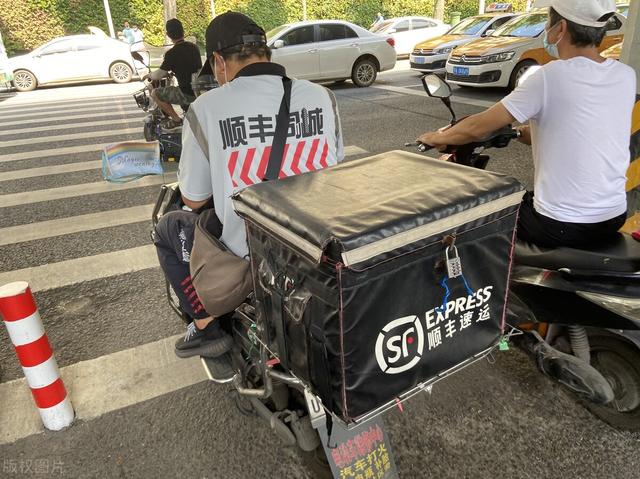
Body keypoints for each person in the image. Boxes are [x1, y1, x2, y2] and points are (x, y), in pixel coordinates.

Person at [153, 12, 345, 369]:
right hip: (318, 245)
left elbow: (194, 198)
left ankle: (207, 327)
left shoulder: (206, 108)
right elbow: (334, 167)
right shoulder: (323, 98)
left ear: (219, 62)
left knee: (168, 228)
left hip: (250, 256)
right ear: (266, 54)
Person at [417, 0, 635, 249]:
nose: (546, 27)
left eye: (548, 20)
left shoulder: (550, 77)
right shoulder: (624, 75)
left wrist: (437, 137)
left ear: (560, 28)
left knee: (479, 212)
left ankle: (487, 284)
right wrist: (518, 132)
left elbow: (479, 126)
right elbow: (576, 130)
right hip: (613, 215)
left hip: (562, 223)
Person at [143, 19, 202, 129]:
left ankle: (176, 120)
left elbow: (158, 75)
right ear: (183, 32)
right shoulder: (194, 47)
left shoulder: (172, 53)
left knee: (155, 93)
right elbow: (188, 67)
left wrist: (149, 75)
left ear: (168, 34)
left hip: (186, 93)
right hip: (198, 90)